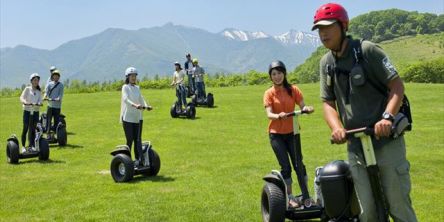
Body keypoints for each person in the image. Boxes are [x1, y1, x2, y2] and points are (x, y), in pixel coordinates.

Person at [313, 3, 417, 221]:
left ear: (343, 25)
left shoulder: (368, 50)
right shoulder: (326, 63)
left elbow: (396, 86)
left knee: (398, 206)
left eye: (328, 27)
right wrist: (337, 128)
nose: (323, 33)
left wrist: (387, 117)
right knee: (367, 212)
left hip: (387, 141)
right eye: (319, 29)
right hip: (356, 145)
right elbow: (328, 103)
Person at [263, 60, 314, 208]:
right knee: (286, 166)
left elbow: (303, 106)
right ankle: (290, 196)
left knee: (299, 164)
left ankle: (306, 196)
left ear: (284, 73)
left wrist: (308, 109)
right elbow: (269, 114)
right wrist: (279, 116)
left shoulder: (294, 90)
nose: (277, 76)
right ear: (270, 77)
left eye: (279, 73)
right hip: (276, 135)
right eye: (274, 74)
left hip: (293, 133)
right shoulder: (269, 93)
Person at [120, 67, 152, 165]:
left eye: (135, 76)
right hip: (128, 119)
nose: (133, 78)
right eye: (131, 76)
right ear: (127, 77)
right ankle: (127, 161)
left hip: (137, 118)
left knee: (138, 140)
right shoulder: (125, 87)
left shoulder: (137, 88)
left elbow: (141, 98)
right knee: (130, 140)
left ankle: (138, 160)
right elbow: (125, 99)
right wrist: (135, 105)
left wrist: (146, 106)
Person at [20, 73, 43, 152]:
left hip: (35, 112)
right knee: (25, 128)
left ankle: (31, 146)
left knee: (33, 129)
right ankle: (23, 146)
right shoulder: (27, 89)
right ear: (31, 81)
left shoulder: (39, 91)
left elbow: (40, 100)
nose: (36, 82)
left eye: (37, 80)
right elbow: (22, 97)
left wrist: (39, 103)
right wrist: (25, 102)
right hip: (27, 111)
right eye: (35, 80)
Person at [44, 69, 64, 139]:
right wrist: (45, 97)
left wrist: (58, 98)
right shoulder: (50, 84)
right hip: (50, 105)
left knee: (56, 120)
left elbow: (60, 95)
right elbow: (46, 92)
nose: (56, 77)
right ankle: (48, 134)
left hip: (57, 106)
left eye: (57, 76)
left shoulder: (61, 85)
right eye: (55, 76)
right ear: (53, 77)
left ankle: (55, 134)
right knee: (48, 120)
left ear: (59, 77)